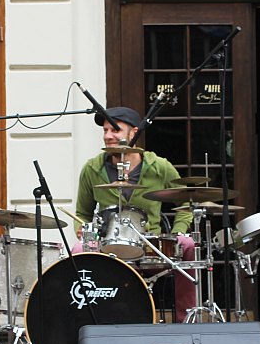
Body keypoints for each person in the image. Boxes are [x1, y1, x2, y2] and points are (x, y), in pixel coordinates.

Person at [75, 107, 197, 321]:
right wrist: (84, 230)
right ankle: (86, 320)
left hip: (151, 246)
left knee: (187, 244)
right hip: (108, 248)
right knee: (77, 250)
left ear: (134, 132)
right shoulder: (92, 169)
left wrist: (178, 232)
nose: (108, 136)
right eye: (105, 131)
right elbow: (82, 213)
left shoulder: (160, 167)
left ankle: (185, 318)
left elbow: (185, 204)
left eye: (115, 130)